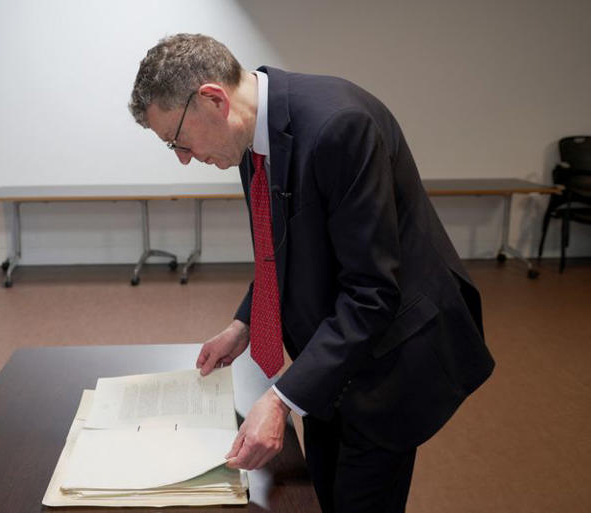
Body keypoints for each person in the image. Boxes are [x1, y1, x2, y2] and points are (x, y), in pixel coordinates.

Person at [129, 33, 494, 513]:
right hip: (330, 356)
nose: (182, 157)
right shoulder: (248, 135)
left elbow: (372, 293)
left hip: (391, 359)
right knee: (323, 490)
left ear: (212, 100)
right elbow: (279, 249)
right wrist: (243, 324)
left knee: (360, 500)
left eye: (178, 141)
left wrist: (280, 400)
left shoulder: (340, 126)